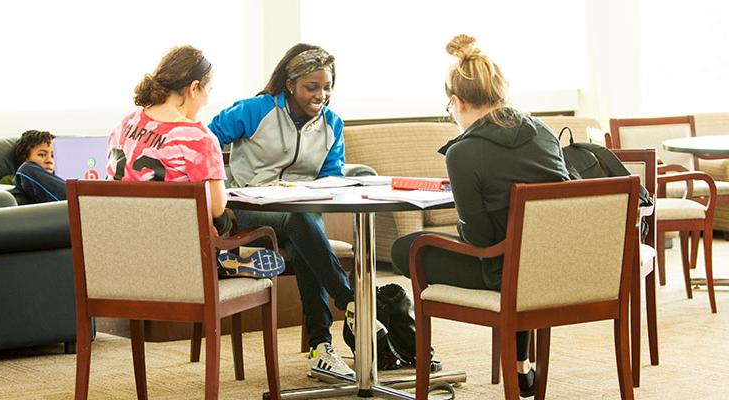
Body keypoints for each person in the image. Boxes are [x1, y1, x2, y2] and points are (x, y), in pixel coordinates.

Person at [390, 34, 570, 398]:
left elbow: (480, 242)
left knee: (405, 249)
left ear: (455, 101)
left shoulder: (464, 152)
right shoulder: (543, 132)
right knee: (515, 248)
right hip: (556, 264)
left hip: (508, 273)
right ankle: (520, 366)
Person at [208, 43, 360, 377]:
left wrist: (319, 188)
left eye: (327, 87)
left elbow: (332, 176)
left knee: (303, 232)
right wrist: (219, 184)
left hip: (301, 217)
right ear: (290, 85)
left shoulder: (333, 124)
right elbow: (207, 140)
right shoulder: (255, 110)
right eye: (312, 87)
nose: (321, 95)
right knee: (303, 225)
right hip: (249, 213)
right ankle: (349, 302)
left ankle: (322, 349)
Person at [106, 45, 284, 279]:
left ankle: (222, 263)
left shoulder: (126, 123)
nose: (207, 100)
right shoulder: (197, 137)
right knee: (221, 220)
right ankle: (219, 263)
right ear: (193, 88)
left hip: (124, 252)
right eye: (208, 90)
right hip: (179, 258)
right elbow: (217, 208)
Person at [7, 130, 66, 203]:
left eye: (53, 156)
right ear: (24, 158)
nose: (50, 160)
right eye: (41, 155)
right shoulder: (23, 172)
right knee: (27, 169)